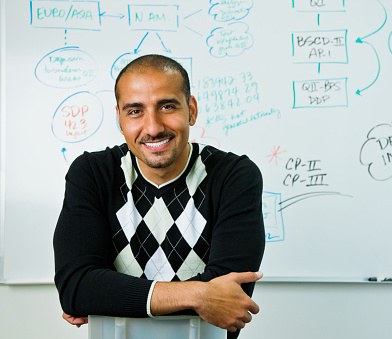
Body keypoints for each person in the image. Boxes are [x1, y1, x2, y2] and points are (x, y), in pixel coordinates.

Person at [53, 54, 265, 338]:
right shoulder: (93, 174)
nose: (153, 127)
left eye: (167, 106)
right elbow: (76, 289)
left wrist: (105, 294)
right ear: (119, 118)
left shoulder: (233, 177)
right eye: (135, 111)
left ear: (191, 110)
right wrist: (200, 295)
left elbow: (228, 301)